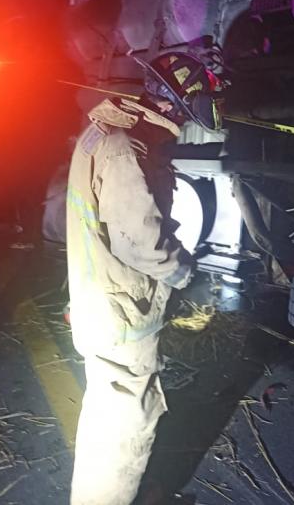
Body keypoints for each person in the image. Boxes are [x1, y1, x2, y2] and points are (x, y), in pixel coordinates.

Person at [67, 49, 223, 505]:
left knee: (108, 412)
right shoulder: (128, 150)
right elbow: (141, 243)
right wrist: (186, 275)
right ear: (175, 106)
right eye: (187, 113)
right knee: (125, 424)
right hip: (121, 313)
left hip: (99, 301)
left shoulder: (107, 132)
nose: (183, 123)